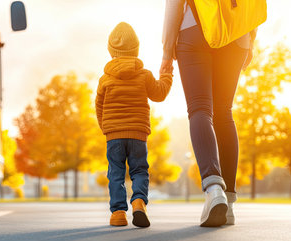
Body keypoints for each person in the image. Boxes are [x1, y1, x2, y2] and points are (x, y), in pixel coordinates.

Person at [162, 0, 255, 227]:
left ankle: (214, 191)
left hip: (195, 29)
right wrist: (250, 38)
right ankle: (229, 206)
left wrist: (166, 52)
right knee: (224, 112)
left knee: (200, 108)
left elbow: (174, 3)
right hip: (237, 33)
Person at [96, 22, 173, 227]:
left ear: (112, 52)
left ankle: (118, 214)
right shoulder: (144, 75)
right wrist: (167, 74)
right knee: (139, 170)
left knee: (116, 173)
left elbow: (99, 106)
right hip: (138, 133)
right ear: (136, 50)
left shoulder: (105, 79)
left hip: (114, 135)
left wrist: (106, 128)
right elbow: (159, 93)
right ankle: (139, 202)